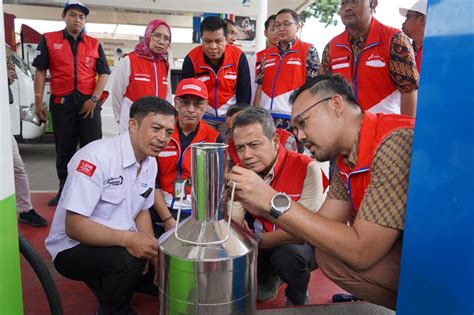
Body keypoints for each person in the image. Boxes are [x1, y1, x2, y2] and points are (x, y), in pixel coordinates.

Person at [226, 74, 415, 310]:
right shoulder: (346, 159)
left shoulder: (393, 142)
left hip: (448, 259)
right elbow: (321, 226)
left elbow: (362, 251)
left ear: (336, 105)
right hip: (414, 251)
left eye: (303, 123)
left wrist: (271, 201)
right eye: (295, 129)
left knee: (336, 256)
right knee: (330, 257)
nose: (301, 136)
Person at [45, 96, 177, 315]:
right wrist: (130, 240)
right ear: (133, 125)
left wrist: (152, 253)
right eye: (156, 128)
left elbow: (141, 209)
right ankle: (113, 309)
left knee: (165, 268)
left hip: (116, 240)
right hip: (72, 248)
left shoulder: (150, 161)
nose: (163, 138)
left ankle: (117, 285)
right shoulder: (95, 157)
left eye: (169, 132)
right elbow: (74, 227)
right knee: (128, 259)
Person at [230, 107, 325, 305]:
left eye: (254, 145)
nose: (246, 155)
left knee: (289, 256)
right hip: (259, 242)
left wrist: (256, 234)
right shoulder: (240, 172)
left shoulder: (307, 167)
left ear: (275, 142)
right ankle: (266, 274)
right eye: (240, 148)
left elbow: (307, 232)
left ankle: (297, 295)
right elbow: (234, 222)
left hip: (296, 244)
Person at [33, 0, 110, 206]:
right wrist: (38, 101)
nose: (77, 19)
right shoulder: (49, 40)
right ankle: (64, 191)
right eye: (73, 15)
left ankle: (92, 191)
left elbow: (103, 73)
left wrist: (94, 99)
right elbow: (40, 70)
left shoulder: (94, 44)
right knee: (64, 149)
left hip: (89, 105)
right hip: (62, 103)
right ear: (64, 16)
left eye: (81, 16)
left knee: (92, 149)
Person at [319, 0, 419, 117]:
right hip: (345, 130)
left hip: (386, 128)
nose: (347, 8)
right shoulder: (331, 47)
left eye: (354, 2)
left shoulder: (394, 40)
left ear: (373, 4)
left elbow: (409, 90)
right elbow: (323, 91)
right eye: (344, 3)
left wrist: (407, 129)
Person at [151, 78, 224, 236]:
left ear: (206, 105)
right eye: (185, 102)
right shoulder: (161, 134)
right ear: (175, 103)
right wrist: (167, 219)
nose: (191, 109)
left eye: (198, 103)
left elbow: (217, 187)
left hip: (196, 214)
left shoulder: (215, 140)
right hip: (159, 209)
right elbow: (151, 180)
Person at [181, 16, 251, 139]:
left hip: (229, 118)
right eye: (208, 41)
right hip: (203, 118)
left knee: (229, 155)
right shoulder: (191, 59)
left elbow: (244, 93)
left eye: (218, 41)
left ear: (226, 39)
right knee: (202, 155)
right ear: (201, 39)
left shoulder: (239, 57)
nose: (213, 47)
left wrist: (237, 119)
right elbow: (186, 95)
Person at [253, 8, 320, 130]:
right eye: (277, 25)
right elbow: (260, 86)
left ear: (298, 26)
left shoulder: (308, 50)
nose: (281, 28)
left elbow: (313, 86)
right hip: (266, 118)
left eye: (286, 24)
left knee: (291, 149)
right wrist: (255, 114)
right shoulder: (267, 54)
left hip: (293, 118)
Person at [6, 45, 47, 227]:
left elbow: (10, 75)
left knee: (18, 168)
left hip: (2, 124)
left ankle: (25, 210)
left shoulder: (4, 48)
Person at [112, 19, 173, 134]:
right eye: (157, 36)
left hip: (156, 127)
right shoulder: (130, 60)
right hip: (133, 126)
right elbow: (117, 93)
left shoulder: (165, 65)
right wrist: (121, 120)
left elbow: (168, 97)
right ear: (148, 35)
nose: (161, 41)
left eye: (166, 38)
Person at [225, 104, 297, 166]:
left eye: (254, 145)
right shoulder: (231, 146)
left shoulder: (287, 139)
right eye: (230, 130)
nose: (246, 155)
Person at [400, 0, 427, 73]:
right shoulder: (403, 50)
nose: (404, 22)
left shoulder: (435, 51)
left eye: (408, 17)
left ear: (422, 19)